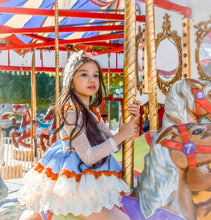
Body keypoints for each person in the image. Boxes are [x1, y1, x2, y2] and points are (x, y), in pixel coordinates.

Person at [18, 51, 140, 220]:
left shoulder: (92, 113)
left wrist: (122, 130)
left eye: (95, 75)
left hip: (95, 176)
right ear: (71, 80)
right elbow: (88, 156)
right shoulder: (72, 114)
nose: (92, 79)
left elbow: (114, 148)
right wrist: (120, 136)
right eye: (84, 74)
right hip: (76, 184)